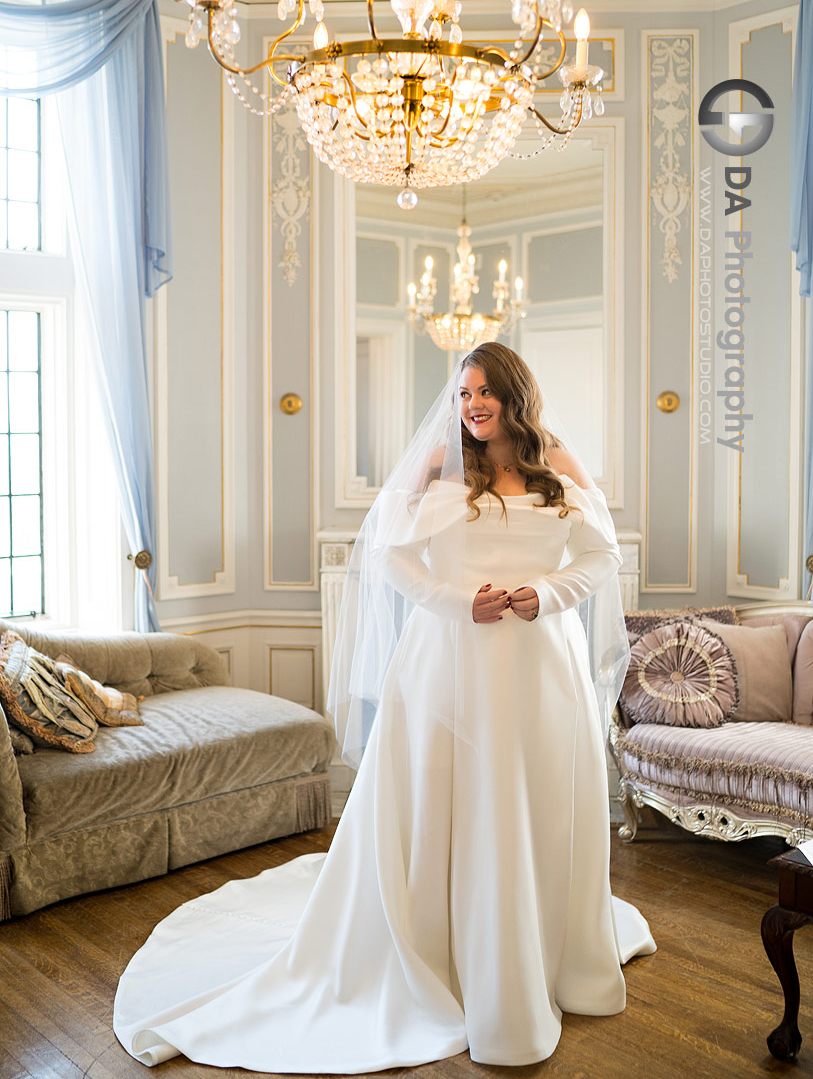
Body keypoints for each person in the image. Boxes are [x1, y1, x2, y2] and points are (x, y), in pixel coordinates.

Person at [114, 342, 656, 1072]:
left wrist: (547, 593)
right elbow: (389, 557)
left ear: (514, 395)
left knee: (531, 801)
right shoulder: (440, 462)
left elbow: (602, 556)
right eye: (463, 393)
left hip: (538, 664)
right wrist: (459, 601)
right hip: (449, 659)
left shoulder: (555, 461)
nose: (472, 406)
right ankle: (441, 947)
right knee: (446, 801)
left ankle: (538, 951)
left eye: (486, 392)